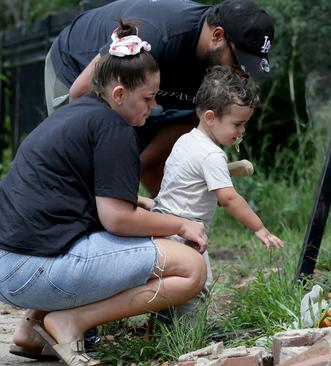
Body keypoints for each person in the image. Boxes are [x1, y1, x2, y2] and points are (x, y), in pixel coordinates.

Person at [1, 21, 208, 365]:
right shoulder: (115, 129)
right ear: (118, 94)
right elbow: (115, 218)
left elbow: (72, 197)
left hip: (11, 265)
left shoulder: (77, 114)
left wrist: (138, 202)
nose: (154, 107)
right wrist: (182, 225)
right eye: (148, 98)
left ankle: (30, 330)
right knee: (190, 269)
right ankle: (70, 322)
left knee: (99, 235)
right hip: (33, 272)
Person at [44, 0, 275, 196]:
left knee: (143, 158)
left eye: (245, 72)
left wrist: (137, 166)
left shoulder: (214, 65)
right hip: (77, 68)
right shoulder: (158, 35)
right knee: (84, 173)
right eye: (237, 64)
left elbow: (191, 123)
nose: (238, 75)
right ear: (217, 35)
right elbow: (81, 93)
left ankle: (172, 233)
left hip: (141, 88)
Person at [150, 65, 284, 316]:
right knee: (199, 284)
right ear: (210, 117)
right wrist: (259, 228)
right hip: (186, 234)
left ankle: (165, 324)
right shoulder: (211, 154)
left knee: (173, 283)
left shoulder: (186, 139)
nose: (241, 131)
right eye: (237, 124)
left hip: (164, 226)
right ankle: (190, 336)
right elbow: (229, 198)